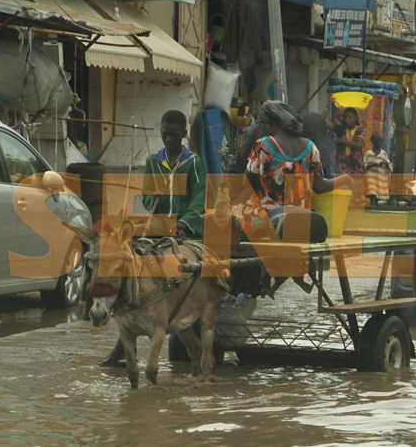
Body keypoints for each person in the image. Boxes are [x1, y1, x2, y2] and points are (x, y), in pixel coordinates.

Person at [97, 109, 207, 368]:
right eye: (164, 134)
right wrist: (153, 200)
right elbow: (146, 195)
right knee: (132, 269)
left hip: (186, 231)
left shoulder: (194, 162)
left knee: (173, 274)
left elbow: (199, 198)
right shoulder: (151, 161)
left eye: (173, 135)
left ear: (184, 134)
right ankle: (123, 341)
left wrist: (184, 223)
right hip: (157, 229)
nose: (167, 139)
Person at [232, 100, 358, 237]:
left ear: (269, 124)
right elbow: (319, 186)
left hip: (269, 216)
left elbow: (246, 182)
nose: (261, 130)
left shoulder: (263, 144)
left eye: (261, 126)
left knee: (229, 212)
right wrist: (344, 179)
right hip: (301, 215)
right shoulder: (311, 147)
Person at [364, 133, 392, 205]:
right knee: (372, 193)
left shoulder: (383, 154)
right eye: (379, 141)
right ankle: (373, 206)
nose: (381, 143)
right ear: (373, 142)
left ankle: (374, 208)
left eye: (381, 141)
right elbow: (364, 165)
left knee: (377, 197)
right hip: (371, 178)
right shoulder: (369, 153)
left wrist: (385, 163)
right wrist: (374, 165)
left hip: (380, 179)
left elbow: (390, 166)